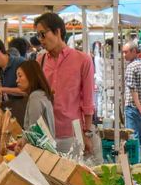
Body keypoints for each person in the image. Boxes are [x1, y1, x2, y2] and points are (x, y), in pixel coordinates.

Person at [34, 12, 96, 160]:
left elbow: (88, 101)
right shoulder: (40, 60)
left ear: (57, 31)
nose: (41, 40)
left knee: (72, 179)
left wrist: (87, 134)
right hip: (45, 132)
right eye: (38, 36)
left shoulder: (83, 60)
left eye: (43, 34)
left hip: (72, 133)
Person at [17, 59, 55, 136]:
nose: (17, 80)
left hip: (40, 147)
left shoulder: (35, 96)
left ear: (31, 76)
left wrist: (24, 140)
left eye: (20, 76)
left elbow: (34, 131)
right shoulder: (42, 94)